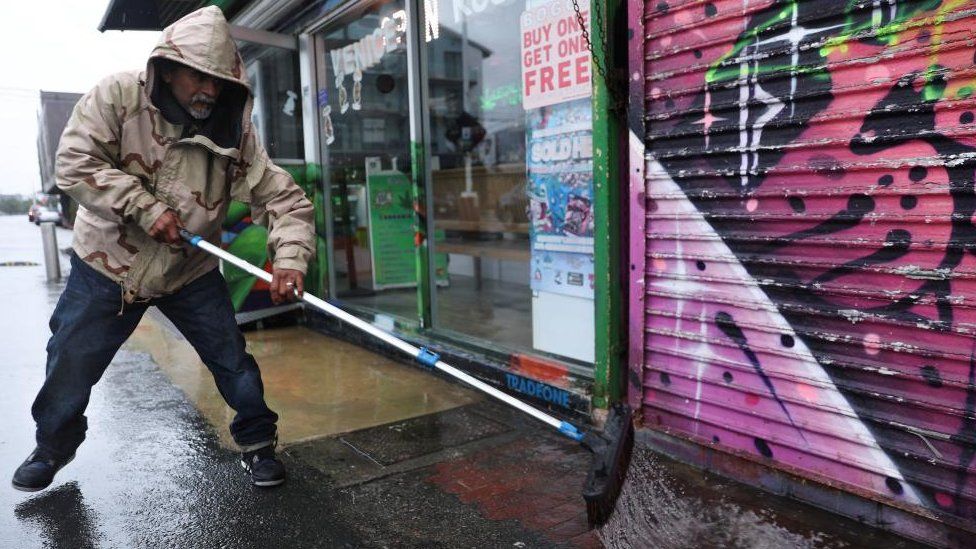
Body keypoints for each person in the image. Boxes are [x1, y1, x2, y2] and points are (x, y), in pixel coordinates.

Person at [11, 6, 314, 492]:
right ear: (167, 68)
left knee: (232, 361)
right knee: (70, 360)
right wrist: (145, 208)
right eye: (198, 77)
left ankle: (257, 445)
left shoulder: (232, 128)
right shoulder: (116, 96)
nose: (209, 91)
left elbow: (285, 199)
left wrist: (291, 259)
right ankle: (52, 447)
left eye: (218, 81)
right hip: (108, 265)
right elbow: (74, 163)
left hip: (189, 271)